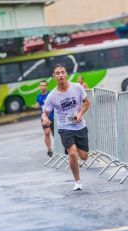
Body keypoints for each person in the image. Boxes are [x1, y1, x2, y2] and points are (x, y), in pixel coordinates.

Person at [42, 63, 90, 191]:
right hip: (65, 127)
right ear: (54, 76)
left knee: (84, 156)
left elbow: (87, 102)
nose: (60, 75)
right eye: (57, 73)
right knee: (72, 154)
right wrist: (45, 118)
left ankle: (79, 159)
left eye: (62, 72)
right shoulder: (52, 95)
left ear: (66, 74)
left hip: (80, 126)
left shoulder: (77, 87)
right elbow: (45, 112)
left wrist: (80, 113)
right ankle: (78, 181)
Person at [37, 80, 54, 157]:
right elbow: (39, 105)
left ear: (47, 86)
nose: (43, 87)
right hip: (44, 118)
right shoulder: (38, 96)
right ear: (39, 87)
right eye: (41, 85)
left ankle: (62, 148)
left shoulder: (51, 94)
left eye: (44, 85)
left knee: (56, 134)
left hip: (53, 117)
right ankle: (49, 150)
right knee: (47, 133)